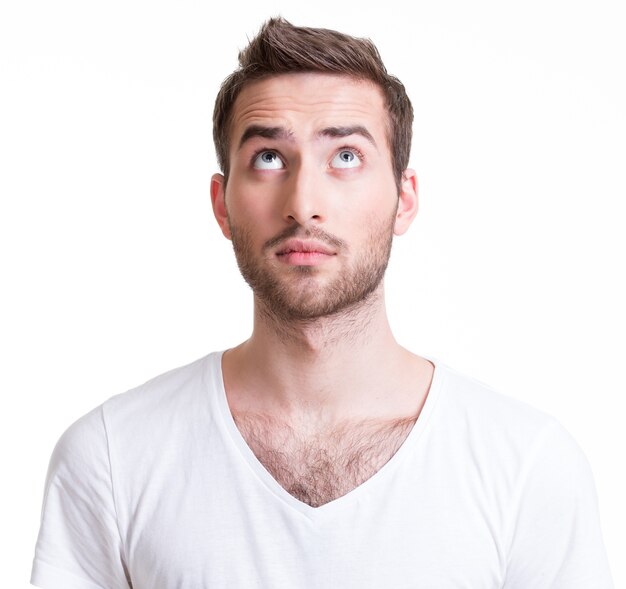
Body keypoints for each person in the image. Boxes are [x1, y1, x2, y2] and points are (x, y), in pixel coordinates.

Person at [31, 17, 613, 589]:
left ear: (404, 200)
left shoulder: (526, 467)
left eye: (346, 157)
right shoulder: (113, 458)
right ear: (221, 205)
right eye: (268, 158)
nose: (304, 203)